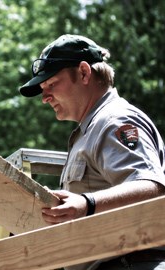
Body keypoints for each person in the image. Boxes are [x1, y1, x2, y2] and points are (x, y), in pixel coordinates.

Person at [19, 34, 165, 270]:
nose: (45, 98)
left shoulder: (115, 120)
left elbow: (153, 187)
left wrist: (87, 203)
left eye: (52, 84)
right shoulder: (90, 129)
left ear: (84, 73)